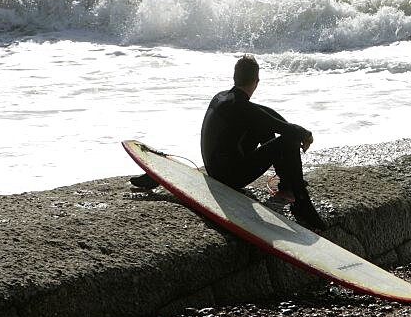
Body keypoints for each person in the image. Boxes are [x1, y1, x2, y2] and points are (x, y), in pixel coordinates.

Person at [130, 54, 325, 231]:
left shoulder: (223, 98)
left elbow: (268, 116)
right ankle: (301, 204)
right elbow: (283, 128)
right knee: (287, 140)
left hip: (215, 167)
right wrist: (306, 134)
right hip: (230, 178)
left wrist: (292, 128)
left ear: (235, 78)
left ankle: (287, 186)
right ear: (256, 81)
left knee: (265, 126)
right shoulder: (241, 107)